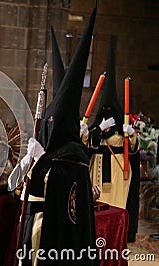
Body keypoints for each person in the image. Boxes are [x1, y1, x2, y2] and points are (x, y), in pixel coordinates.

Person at [15, 6, 97, 265]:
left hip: (54, 234)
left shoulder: (74, 157)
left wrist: (42, 163)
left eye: (52, 122)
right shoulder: (44, 150)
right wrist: (26, 163)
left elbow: (63, 197)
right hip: (32, 224)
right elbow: (15, 186)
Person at [86, 37, 139, 242]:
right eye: (104, 109)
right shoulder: (98, 126)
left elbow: (132, 149)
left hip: (118, 172)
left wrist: (132, 135)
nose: (107, 113)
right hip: (97, 168)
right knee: (97, 205)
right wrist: (95, 131)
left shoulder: (122, 128)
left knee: (116, 206)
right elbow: (87, 144)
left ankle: (116, 236)